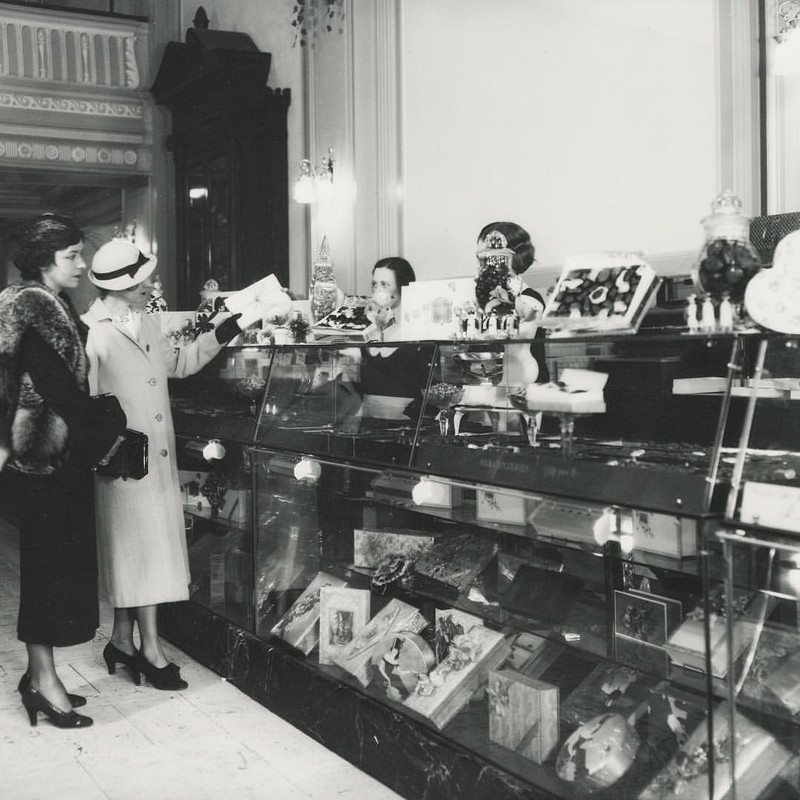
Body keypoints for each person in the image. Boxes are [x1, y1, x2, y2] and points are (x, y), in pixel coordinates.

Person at [82, 238, 248, 691]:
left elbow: (179, 362)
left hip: (156, 455)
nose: (151, 284)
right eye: (141, 279)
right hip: (122, 460)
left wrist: (219, 333)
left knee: (141, 550)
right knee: (137, 552)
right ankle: (151, 650)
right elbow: (88, 405)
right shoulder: (93, 332)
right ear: (118, 286)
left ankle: (121, 640)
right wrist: (105, 450)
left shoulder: (146, 322)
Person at [0, 213, 126, 729]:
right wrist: (112, 422)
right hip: (41, 464)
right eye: (71, 255)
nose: (81, 263)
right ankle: (43, 681)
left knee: (56, 569)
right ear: (44, 258)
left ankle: (40, 676)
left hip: (57, 461)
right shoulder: (32, 308)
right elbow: (61, 394)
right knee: (46, 570)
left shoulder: (53, 306)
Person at [476, 221, 550, 385]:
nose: (481, 264)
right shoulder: (488, 297)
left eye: (485, 256)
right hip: (500, 381)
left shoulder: (529, 299)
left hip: (525, 382)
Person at [359, 257, 433, 420]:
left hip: (404, 423)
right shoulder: (367, 330)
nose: (378, 290)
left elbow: (429, 390)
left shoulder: (418, 332)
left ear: (403, 287)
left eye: (385, 284)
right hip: (368, 420)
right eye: (374, 284)